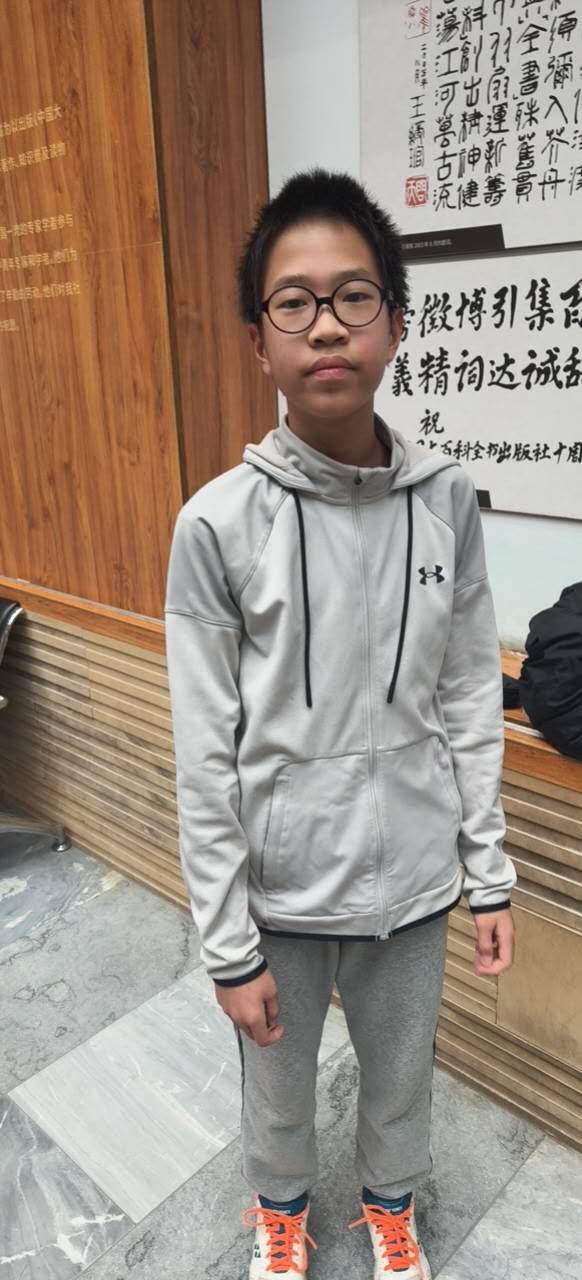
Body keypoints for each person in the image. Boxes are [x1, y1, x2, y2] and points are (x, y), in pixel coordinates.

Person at [164, 169, 516, 1279]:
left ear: (395, 323)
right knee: (276, 1083)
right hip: (281, 894)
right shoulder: (217, 525)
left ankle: (390, 1206)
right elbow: (203, 755)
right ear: (258, 340)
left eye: (354, 296)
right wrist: (227, 944)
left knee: (402, 1075)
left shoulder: (447, 500)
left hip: (413, 884)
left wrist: (488, 870)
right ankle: (281, 1212)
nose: (326, 325)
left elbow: (468, 694)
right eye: (295, 301)